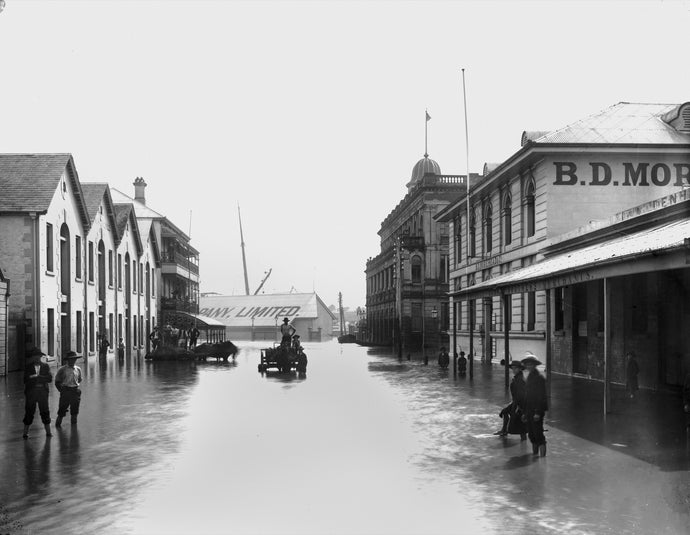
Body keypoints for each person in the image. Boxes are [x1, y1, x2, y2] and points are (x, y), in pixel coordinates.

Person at [519, 352, 548, 456]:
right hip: (529, 410)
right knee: (531, 433)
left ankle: (542, 458)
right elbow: (527, 397)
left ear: (535, 365)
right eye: (527, 364)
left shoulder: (539, 378)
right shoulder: (529, 377)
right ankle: (534, 455)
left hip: (536, 410)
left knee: (538, 433)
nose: (528, 366)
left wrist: (538, 412)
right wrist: (524, 412)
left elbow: (542, 397)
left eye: (531, 364)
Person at [22, 347, 53, 438]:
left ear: (40, 357)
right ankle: (25, 433)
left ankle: (48, 432)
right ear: (32, 357)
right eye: (35, 356)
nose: (37, 358)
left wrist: (38, 377)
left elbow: (50, 379)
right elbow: (25, 380)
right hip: (31, 392)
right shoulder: (28, 367)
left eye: (38, 356)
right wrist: (32, 377)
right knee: (29, 411)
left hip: (43, 392)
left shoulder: (45, 366)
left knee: (45, 411)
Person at [494, 361, 527, 439]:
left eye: (515, 368)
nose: (513, 370)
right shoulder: (517, 378)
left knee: (521, 424)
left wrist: (520, 407)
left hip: (520, 404)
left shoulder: (520, 379)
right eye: (513, 368)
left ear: (520, 369)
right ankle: (504, 430)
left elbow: (522, 395)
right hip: (516, 402)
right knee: (505, 412)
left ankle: (523, 441)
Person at [54, 351, 83, 427]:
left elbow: (79, 379)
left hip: (75, 391)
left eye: (74, 359)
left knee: (75, 412)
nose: (73, 361)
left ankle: (74, 430)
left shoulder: (78, 369)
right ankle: (58, 426)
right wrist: (62, 391)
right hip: (65, 391)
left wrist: (75, 387)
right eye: (71, 359)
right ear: (67, 360)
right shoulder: (62, 369)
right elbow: (57, 382)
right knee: (61, 412)